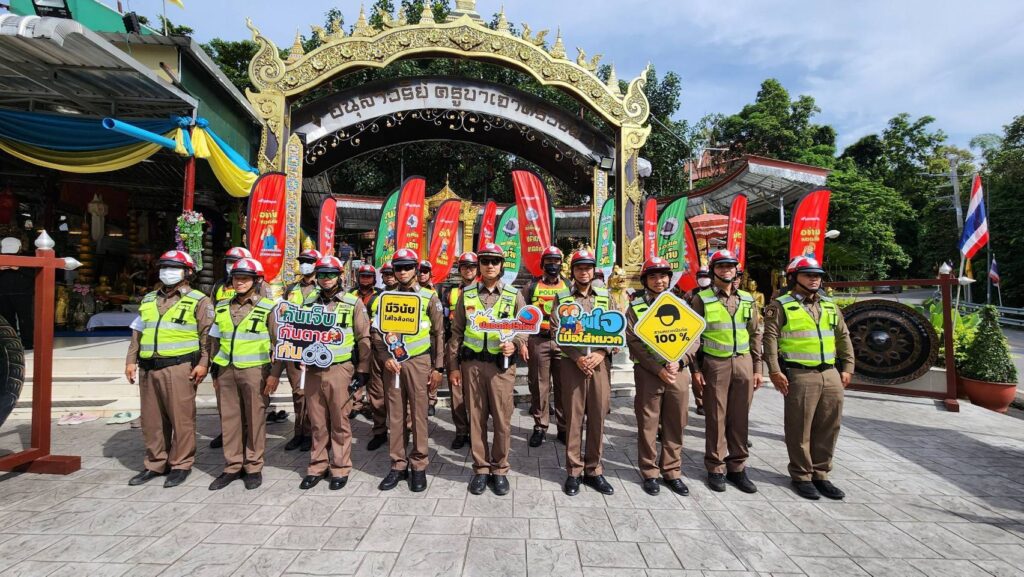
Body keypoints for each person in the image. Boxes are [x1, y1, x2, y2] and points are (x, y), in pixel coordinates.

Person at [268, 255, 371, 490]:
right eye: (322, 274)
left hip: (340, 369)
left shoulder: (352, 303)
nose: (326, 278)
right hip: (313, 370)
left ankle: (340, 467)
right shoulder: (308, 303)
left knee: (339, 421)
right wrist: (294, 354)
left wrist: (363, 370)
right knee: (317, 421)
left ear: (340, 276)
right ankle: (317, 465)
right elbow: (295, 332)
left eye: (331, 274)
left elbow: (363, 337)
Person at [763, 256, 855, 501]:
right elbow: (770, 340)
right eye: (808, 275)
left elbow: (843, 336)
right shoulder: (780, 305)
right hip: (800, 373)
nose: (815, 279)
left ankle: (821, 473)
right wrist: (774, 370)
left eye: (818, 275)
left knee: (829, 424)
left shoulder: (829, 305)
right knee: (799, 426)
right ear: (794, 277)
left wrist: (848, 366)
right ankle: (802, 475)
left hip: (830, 373)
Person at [125, 250, 212, 488]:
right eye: (164, 267)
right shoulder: (148, 299)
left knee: (181, 419)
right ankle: (155, 463)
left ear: (188, 273)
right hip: (148, 367)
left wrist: (204, 363)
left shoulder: (199, 300)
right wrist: (131, 359)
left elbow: (207, 337)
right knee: (151, 420)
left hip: (179, 367)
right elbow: (138, 332)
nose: (167, 272)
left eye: (174, 268)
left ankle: (181, 464)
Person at [447, 243, 526, 495]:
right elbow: (456, 332)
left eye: (495, 261)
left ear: (501, 265)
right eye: (485, 261)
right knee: (476, 418)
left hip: (501, 368)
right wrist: (453, 367)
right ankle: (481, 468)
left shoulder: (514, 294)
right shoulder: (467, 294)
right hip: (472, 366)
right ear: (479, 265)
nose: (490, 265)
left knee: (502, 419)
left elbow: (524, 329)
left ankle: (500, 469)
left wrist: (515, 344)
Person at [690, 250, 762, 494]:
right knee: (716, 417)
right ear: (713, 271)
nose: (726, 270)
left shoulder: (747, 299)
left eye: (730, 266)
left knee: (740, 417)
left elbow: (755, 334)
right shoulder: (702, 299)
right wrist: (696, 369)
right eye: (721, 266)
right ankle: (716, 466)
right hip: (715, 364)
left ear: (736, 270)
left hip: (743, 362)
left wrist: (757, 368)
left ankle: (738, 467)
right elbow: (693, 336)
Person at [626, 256, 697, 496]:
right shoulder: (636, 308)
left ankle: (672, 471)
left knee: (676, 423)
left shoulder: (682, 304)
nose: (659, 280)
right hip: (649, 373)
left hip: (678, 372)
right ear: (645, 280)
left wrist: (681, 361)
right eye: (653, 276)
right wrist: (658, 369)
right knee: (648, 424)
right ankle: (649, 472)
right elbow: (633, 342)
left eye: (663, 276)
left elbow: (695, 337)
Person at [376, 248, 444, 493]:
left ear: (416, 269)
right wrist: (385, 357)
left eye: (408, 267)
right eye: (399, 267)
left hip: (419, 361)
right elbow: (376, 333)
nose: (403, 271)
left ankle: (418, 465)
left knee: (418, 414)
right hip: (393, 363)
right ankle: (398, 465)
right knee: (395, 415)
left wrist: (438, 367)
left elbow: (439, 333)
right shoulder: (385, 297)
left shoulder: (429, 297)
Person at [551, 249, 617, 496]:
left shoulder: (606, 297)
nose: (584, 272)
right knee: (574, 418)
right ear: (573, 271)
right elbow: (556, 331)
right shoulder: (562, 298)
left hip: (599, 364)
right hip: (572, 364)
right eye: (579, 268)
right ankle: (573, 471)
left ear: (593, 270)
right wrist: (577, 357)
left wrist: (601, 352)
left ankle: (594, 470)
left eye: (588, 267)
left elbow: (617, 329)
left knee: (598, 416)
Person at [208, 258, 277, 491]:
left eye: (245, 279)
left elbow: (279, 343)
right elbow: (214, 340)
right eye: (237, 278)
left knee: (255, 419)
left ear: (256, 281)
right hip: (226, 370)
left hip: (255, 371)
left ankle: (253, 466)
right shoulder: (221, 306)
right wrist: (213, 367)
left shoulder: (268, 308)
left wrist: (274, 374)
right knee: (230, 419)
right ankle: (232, 465)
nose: (239, 282)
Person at [523, 245, 568, 447]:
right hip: (538, 341)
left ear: (561, 264)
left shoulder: (568, 286)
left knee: (563, 386)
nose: (552, 264)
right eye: (549, 261)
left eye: (556, 261)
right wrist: (523, 342)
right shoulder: (531, 287)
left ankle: (563, 428)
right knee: (539, 386)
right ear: (542, 264)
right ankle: (540, 427)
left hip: (563, 343)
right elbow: (521, 315)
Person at [279, 248, 323, 452]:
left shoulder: (323, 288)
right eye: (302, 261)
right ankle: (299, 432)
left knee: (313, 392)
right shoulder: (291, 288)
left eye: (309, 261)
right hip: (293, 346)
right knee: (298, 391)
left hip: (316, 346)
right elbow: (281, 314)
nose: (305, 264)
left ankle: (312, 432)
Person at [444, 251, 478, 450]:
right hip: (454, 344)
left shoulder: (483, 292)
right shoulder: (450, 292)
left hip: (475, 348)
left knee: (475, 395)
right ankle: (461, 431)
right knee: (456, 392)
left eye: (472, 266)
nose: (468, 270)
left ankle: (475, 431)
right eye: (464, 266)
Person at [349, 264, 380, 421]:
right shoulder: (350, 294)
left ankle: (371, 406)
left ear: (374, 279)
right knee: (355, 373)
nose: (365, 279)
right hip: (354, 340)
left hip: (373, 341)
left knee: (372, 376)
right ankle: (356, 404)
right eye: (363, 276)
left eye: (369, 276)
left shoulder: (381, 295)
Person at [0, 237, 33, 349]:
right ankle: (11, 344)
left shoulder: (28, 258)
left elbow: (35, 274)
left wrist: (19, 268)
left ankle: (28, 343)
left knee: (25, 319)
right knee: (7, 320)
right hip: (3, 294)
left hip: (23, 294)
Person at [417, 259, 441, 416]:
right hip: (417, 338)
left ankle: (432, 400)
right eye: (420, 271)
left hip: (432, 335)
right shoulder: (411, 290)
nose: (422, 274)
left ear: (430, 273)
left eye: (425, 271)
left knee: (433, 370)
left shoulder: (437, 291)